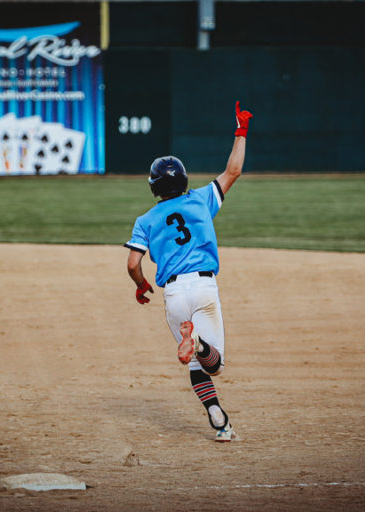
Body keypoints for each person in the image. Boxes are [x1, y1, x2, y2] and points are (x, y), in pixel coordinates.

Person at [124, 101, 253, 442]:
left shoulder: (145, 220)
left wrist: (140, 286)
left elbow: (133, 264)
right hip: (205, 287)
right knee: (215, 364)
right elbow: (233, 171)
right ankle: (195, 341)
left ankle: (220, 423)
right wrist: (241, 131)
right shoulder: (200, 200)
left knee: (198, 368)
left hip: (173, 295)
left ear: (153, 186)